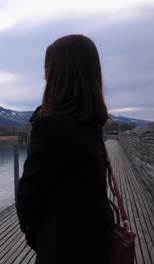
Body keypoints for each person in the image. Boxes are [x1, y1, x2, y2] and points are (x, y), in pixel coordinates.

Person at [15, 34, 114, 264]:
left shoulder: (51, 125)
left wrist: (37, 235)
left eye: (47, 68)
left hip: (63, 245)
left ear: (60, 73)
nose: (43, 75)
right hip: (98, 238)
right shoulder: (91, 123)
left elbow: (28, 194)